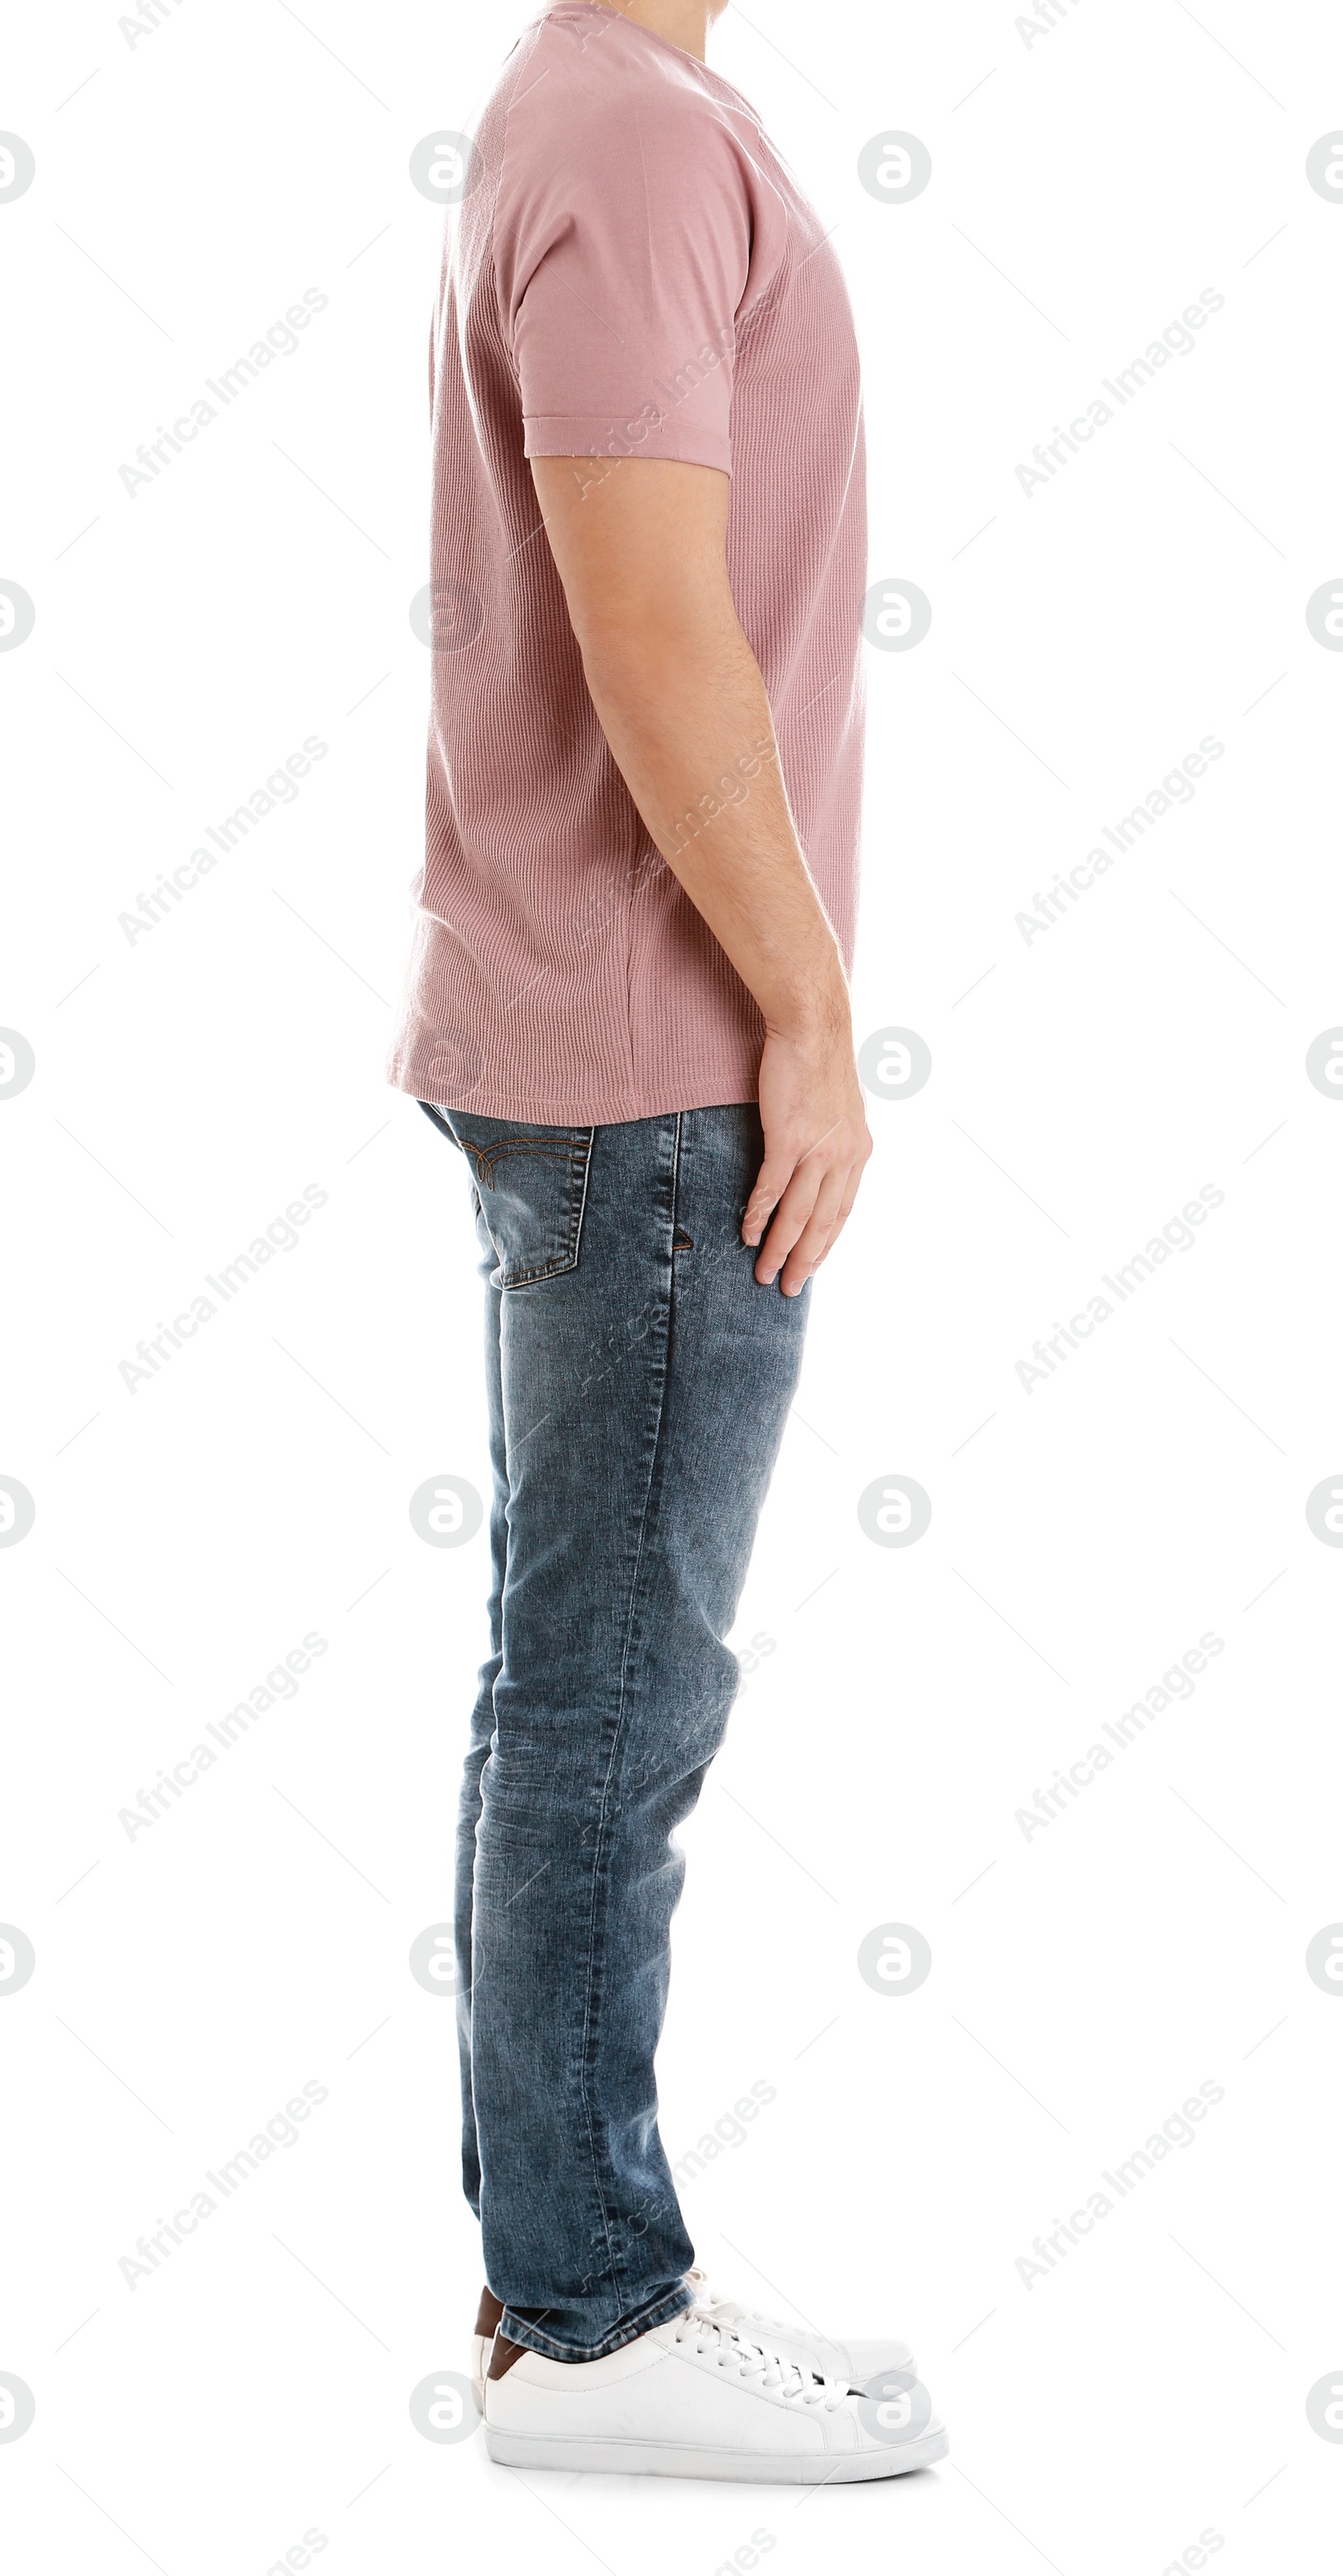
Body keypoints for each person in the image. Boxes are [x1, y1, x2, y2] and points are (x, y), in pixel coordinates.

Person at [388, 0, 948, 2482]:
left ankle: (562, 2292)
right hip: (650, 1066)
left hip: (616, 1052)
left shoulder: (620, 110)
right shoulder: (618, 124)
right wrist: (811, 1019)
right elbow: (649, 624)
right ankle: (595, 2320)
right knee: (614, 1699)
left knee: (580, 1683)